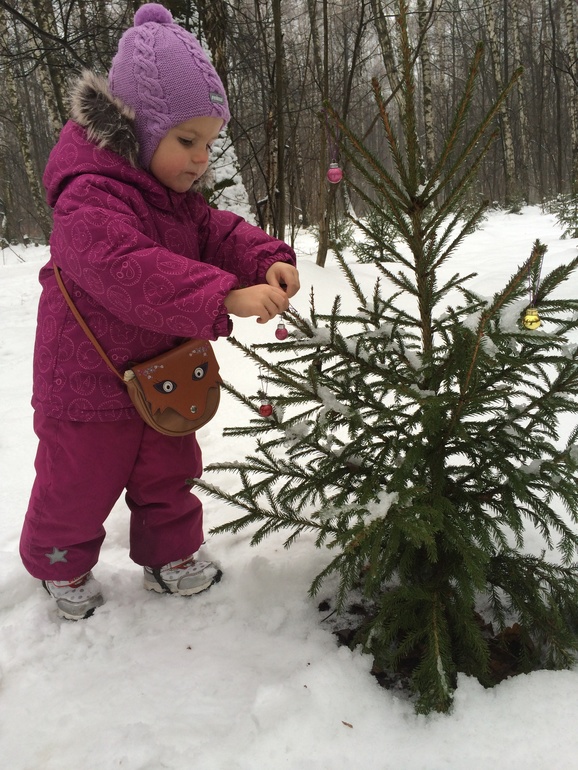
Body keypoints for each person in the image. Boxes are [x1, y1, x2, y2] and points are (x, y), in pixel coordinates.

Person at [19, 3, 299, 621]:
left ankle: (170, 556)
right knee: (77, 483)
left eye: (209, 143)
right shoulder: (87, 196)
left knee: (170, 470)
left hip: (165, 370)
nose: (200, 159)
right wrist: (222, 295)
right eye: (185, 140)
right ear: (136, 131)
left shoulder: (177, 199)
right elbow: (127, 267)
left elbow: (218, 232)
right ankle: (61, 564)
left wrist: (264, 258)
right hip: (86, 382)